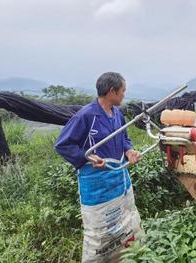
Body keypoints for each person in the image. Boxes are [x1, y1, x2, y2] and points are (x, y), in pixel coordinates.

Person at [55, 72, 143, 262]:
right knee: (100, 231)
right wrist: (87, 158)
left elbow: (125, 139)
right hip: (97, 184)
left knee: (126, 220)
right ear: (111, 91)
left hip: (119, 180)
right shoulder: (86, 116)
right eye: (123, 91)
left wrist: (129, 151)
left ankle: (125, 254)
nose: (124, 95)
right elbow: (63, 145)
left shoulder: (118, 114)